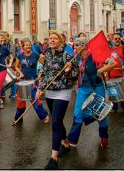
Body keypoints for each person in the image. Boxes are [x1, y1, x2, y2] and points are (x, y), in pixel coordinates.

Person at [36, 30, 78, 170]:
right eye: (50, 38)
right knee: (57, 120)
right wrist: (39, 88)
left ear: (60, 41)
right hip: (49, 91)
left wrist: (68, 71)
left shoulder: (67, 55)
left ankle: (54, 158)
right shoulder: (47, 54)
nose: (52, 40)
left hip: (63, 92)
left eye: (55, 38)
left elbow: (75, 75)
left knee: (54, 123)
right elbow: (45, 72)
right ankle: (65, 143)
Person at [66, 37, 117, 149]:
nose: (74, 47)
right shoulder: (78, 57)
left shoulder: (94, 55)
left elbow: (113, 63)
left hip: (96, 87)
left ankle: (104, 139)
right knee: (77, 113)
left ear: (84, 46)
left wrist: (100, 70)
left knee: (100, 114)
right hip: (83, 88)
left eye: (77, 45)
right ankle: (72, 140)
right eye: (74, 45)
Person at [14, 38, 50, 124]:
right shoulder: (20, 55)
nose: (28, 46)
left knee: (34, 99)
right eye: (26, 45)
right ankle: (18, 118)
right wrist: (20, 73)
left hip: (32, 80)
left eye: (29, 45)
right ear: (23, 47)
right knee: (20, 101)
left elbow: (45, 65)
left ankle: (44, 116)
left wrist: (40, 74)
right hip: (22, 81)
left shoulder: (35, 55)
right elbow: (16, 66)